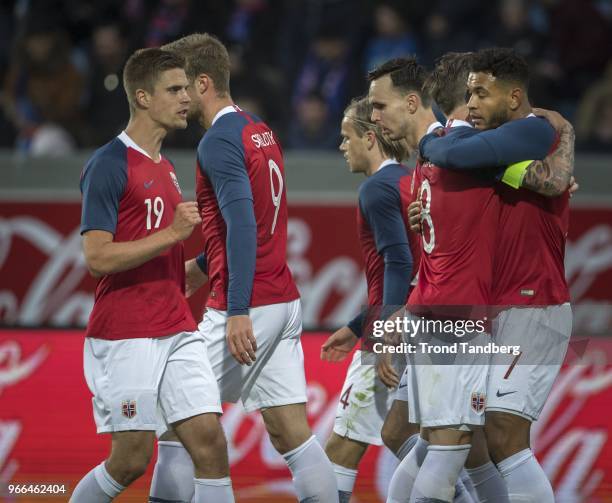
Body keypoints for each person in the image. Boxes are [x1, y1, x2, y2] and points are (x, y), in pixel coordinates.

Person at [154, 33, 339, 503]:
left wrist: (236, 308)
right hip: (281, 297)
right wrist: (203, 263)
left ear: (202, 83)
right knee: (289, 431)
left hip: (249, 302)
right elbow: (257, 219)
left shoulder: (216, 142)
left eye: (179, 88)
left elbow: (241, 225)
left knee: (176, 421)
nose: (176, 98)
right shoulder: (258, 129)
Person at [71, 48, 233, 503]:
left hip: (176, 326)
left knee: (209, 443)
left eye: (187, 88)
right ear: (143, 97)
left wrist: (200, 267)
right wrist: (172, 235)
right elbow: (97, 257)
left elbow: (158, 261)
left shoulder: (166, 167)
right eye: (175, 89)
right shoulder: (109, 163)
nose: (187, 97)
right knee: (130, 460)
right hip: (127, 334)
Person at [418, 47, 574, 503]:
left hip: (534, 303)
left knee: (505, 434)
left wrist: (428, 141)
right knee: (475, 442)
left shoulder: (534, 131)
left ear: (514, 97)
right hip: (497, 307)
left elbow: (461, 156)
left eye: (481, 95)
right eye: (468, 94)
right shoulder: (500, 144)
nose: (471, 106)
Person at [320, 96, 420, 502]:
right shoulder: (414, 182)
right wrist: (357, 326)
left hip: (396, 329)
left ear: (369, 136)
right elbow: (413, 269)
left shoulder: (376, 188)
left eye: (347, 138)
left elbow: (398, 262)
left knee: (340, 450)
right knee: (415, 439)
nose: (342, 147)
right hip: (423, 321)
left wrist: (382, 335)